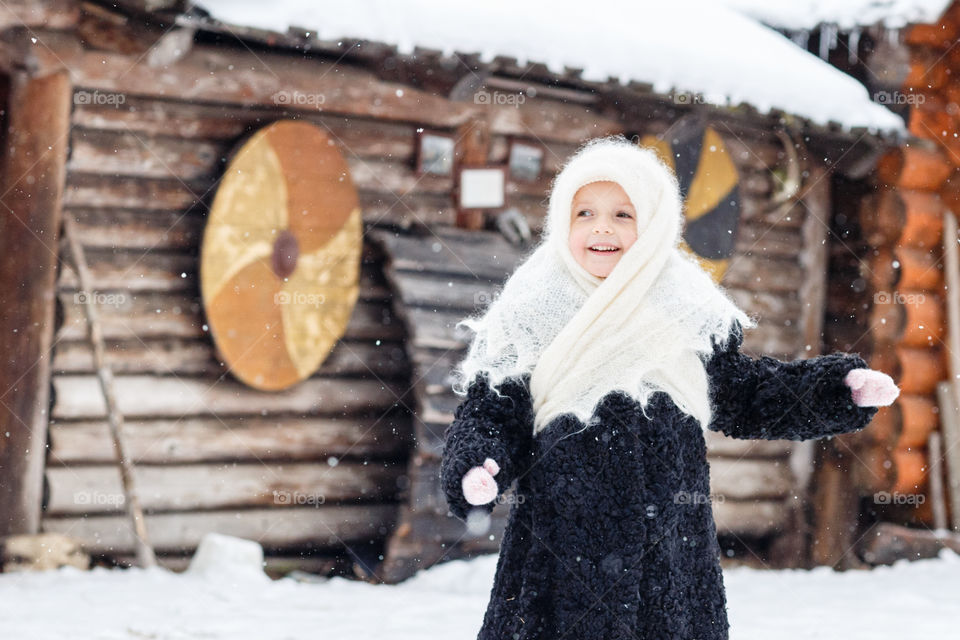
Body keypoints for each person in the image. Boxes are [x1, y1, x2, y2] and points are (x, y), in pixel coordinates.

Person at [440, 135, 898, 640]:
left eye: (623, 214)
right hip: (559, 556)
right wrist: (477, 463)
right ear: (561, 220)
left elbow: (746, 393)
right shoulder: (531, 309)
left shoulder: (684, 307)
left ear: (655, 224)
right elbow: (491, 412)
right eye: (585, 213)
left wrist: (834, 389)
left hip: (670, 559)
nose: (602, 228)